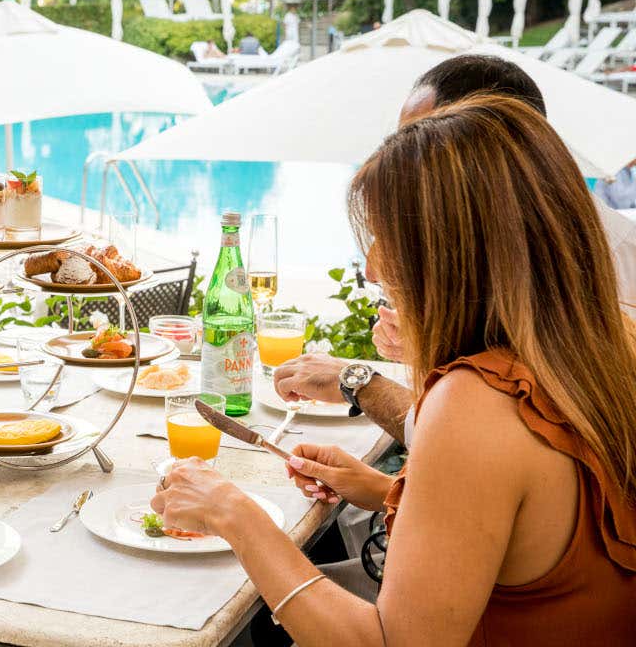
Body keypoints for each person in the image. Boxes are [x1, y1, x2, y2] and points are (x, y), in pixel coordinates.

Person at [153, 94, 636, 645]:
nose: (372, 265)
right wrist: (385, 489)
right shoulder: (609, 342)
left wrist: (233, 514)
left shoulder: (476, 405)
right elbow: (530, 537)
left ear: (452, 252)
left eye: (388, 237)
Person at [275, 54, 636, 447]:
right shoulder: (523, 267)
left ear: (485, 157)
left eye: (425, 147)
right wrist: (439, 337)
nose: (401, 163)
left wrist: (359, 382)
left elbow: (490, 438)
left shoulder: (613, 267)